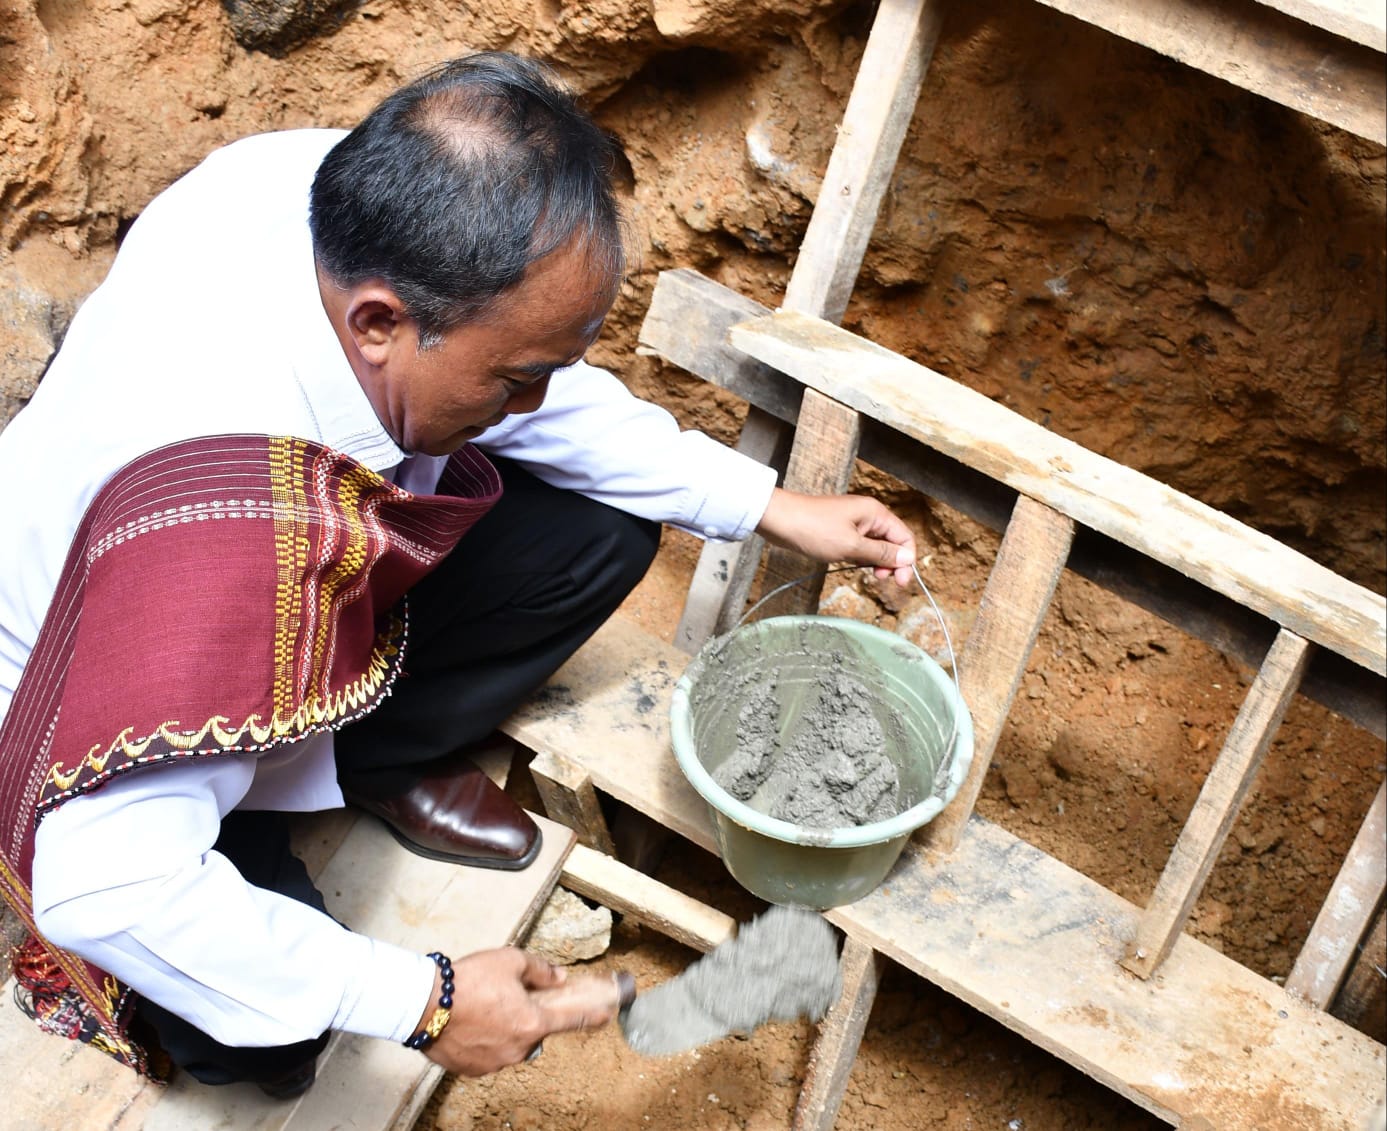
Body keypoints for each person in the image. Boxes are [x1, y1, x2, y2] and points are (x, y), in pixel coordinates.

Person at [0, 52, 917, 1095]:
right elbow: (104, 887)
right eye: (514, 378)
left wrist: (770, 508)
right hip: (101, 716)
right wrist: (426, 1001)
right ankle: (251, 814)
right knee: (268, 1041)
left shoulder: (312, 191)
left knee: (600, 535)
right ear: (381, 323)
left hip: (243, 593)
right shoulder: (225, 540)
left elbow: (546, 385)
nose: (531, 405)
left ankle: (364, 765)